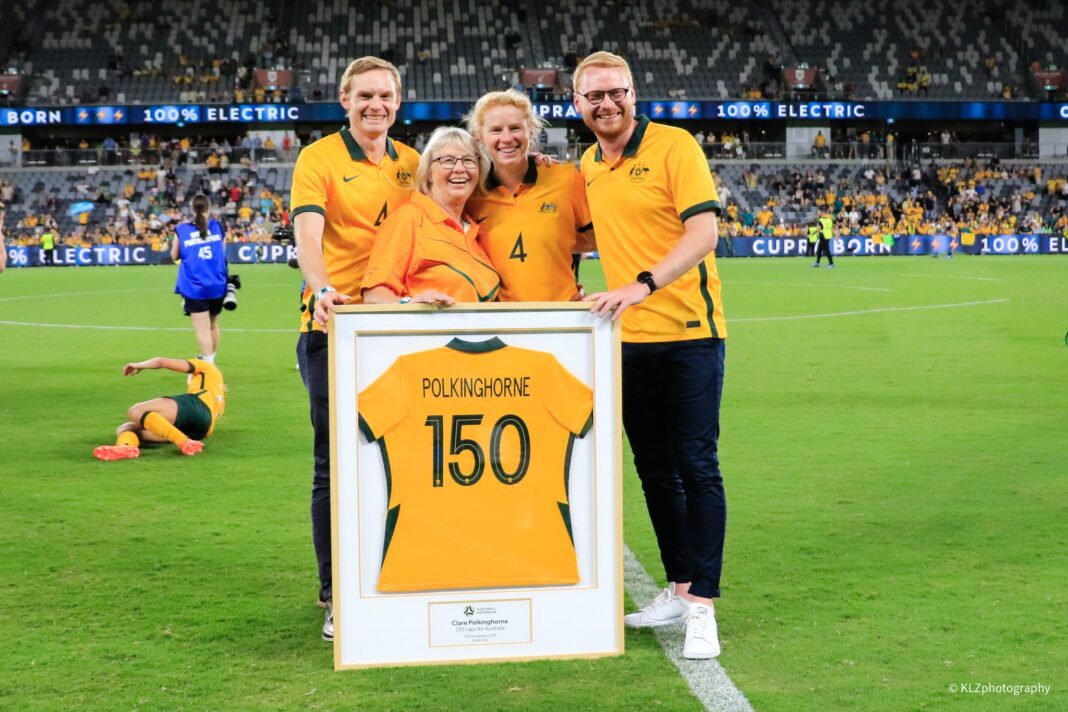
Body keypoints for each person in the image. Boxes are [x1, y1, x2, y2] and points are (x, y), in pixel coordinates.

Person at [574, 51, 727, 659]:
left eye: (615, 93)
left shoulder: (674, 146)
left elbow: (704, 233)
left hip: (689, 332)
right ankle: (680, 585)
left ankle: (703, 608)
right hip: (628, 341)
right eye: (593, 97)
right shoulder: (588, 162)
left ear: (633, 93)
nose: (605, 105)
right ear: (578, 104)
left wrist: (641, 284)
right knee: (655, 470)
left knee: (697, 465)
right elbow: (585, 230)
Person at [290, 56, 420, 642]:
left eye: (385, 96)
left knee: (406, 459)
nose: (376, 105)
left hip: (401, 333)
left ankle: (405, 571)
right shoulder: (318, 159)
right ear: (345, 99)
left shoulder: (413, 164)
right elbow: (308, 236)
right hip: (334, 329)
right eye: (364, 95)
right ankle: (337, 591)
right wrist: (321, 289)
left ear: (398, 102)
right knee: (337, 462)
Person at [463, 89, 594, 301]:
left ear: (530, 131)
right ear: (480, 137)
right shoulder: (471, 194)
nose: (507, 138)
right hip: (501, 325)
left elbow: (600, 241)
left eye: (515, 128)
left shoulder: (566, 178)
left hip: (562, 320)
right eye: (496, 130)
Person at [362, 126, 499, 305]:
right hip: (425, 332)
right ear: (428, 173)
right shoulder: (408, 219)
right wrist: (410, 305)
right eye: (447, 160)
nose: (459, 168)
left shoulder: (475, 230)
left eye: (468, 160)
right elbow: (374, 295)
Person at [92, 357, 226, 461]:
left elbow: (163, 362)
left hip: (197, 405)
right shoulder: (218, 394)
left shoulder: (207, 368)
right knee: (129, 427)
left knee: (136, 411)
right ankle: (125, 447)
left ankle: (183, 442)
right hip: (201, 430)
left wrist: (139, 365)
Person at [172, 194, 228, 362]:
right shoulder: (218, 226)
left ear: (191, 209)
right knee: (213, 326)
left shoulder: (182, 230)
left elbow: (174, 255)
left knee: (202, 329)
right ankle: (210, 359)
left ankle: (209, 367)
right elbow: (222, 253)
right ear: (208, 209)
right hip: (217, 284)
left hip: (194, 286)